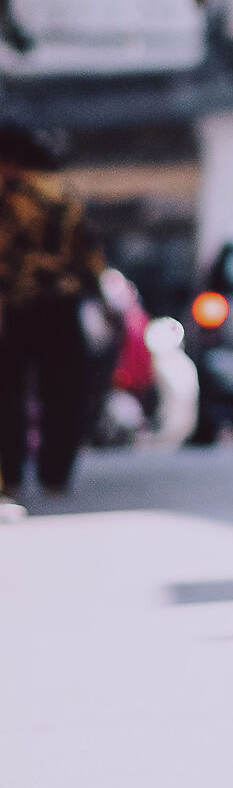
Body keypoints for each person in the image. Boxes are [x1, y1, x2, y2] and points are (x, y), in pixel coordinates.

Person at [0, 120, 106, 512]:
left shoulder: (8, 193)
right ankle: (55, 475)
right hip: (61, 302)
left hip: (11, 306)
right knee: (63, 391)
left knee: (7, 393)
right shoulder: (62, 192)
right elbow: (88, 252)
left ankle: (10, 476)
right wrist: (98, 293)